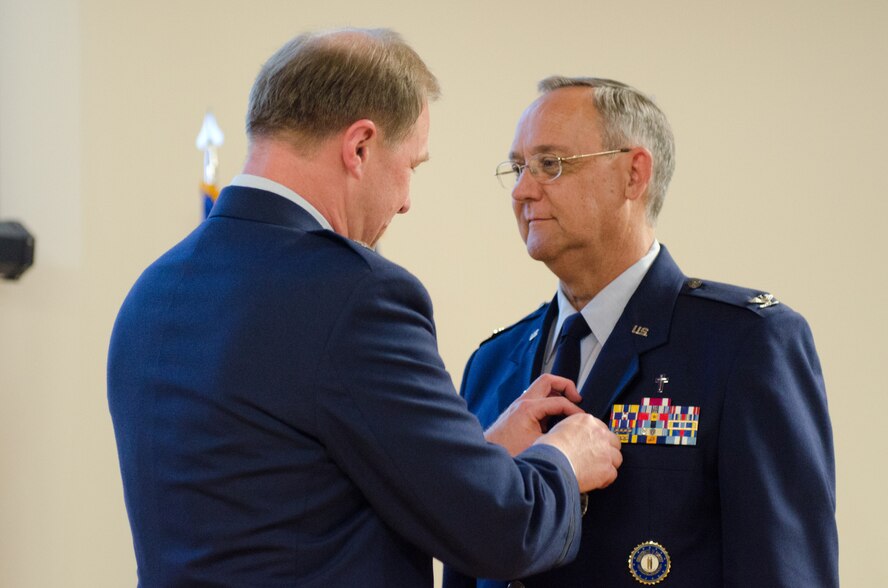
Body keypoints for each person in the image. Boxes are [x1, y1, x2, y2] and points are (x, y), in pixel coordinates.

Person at [107, 30, 624, 588]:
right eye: (411, 167)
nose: (405, 201)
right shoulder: (356, 296)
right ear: (359, 147)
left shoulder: (154, 291)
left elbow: (288, 488)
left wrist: (480, 456)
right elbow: (504, 534)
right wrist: (562, 460)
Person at [444, 77, 838, 587]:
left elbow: (784, 570)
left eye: (551, 164)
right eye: (518, 168)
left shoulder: (745, 344)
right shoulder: (492, 364)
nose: (522, 190)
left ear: (634, 174)